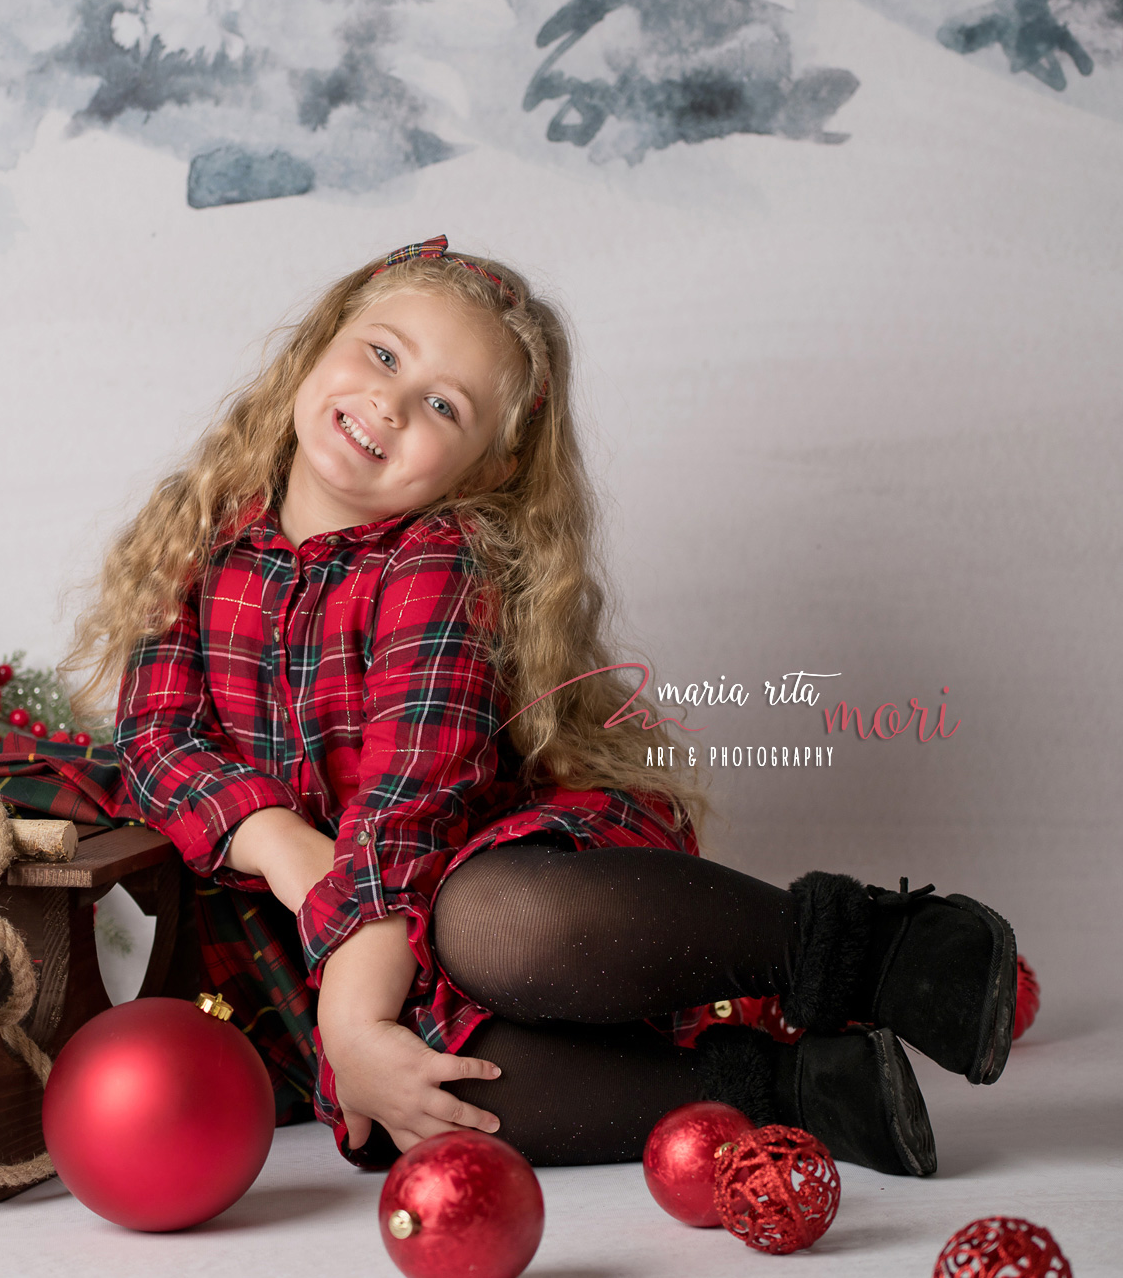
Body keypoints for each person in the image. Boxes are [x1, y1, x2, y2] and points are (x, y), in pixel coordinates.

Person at [63, 235, 1016, 1176]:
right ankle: (805, 1089)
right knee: (434, 1100)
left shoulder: (437, 561)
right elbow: (155, 744)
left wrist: (356, 1007)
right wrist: (284, 849)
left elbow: (410, 801)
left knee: (493, 925)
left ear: (484, 469)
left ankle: (882, 951)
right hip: (309, 927)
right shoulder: (204, 531)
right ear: (319, 343)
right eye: (382, 355)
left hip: (481, 874)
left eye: (442, 404)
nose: (388, 405)